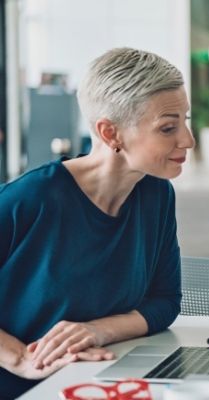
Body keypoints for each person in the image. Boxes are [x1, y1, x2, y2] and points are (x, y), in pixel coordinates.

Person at [0, 48, 190, 397]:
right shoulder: (28, 199)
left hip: (95, 380)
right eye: (168, 128)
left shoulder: (156, 194)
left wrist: (97, 330)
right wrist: (20, 359)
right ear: (110, 133)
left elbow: (165, 300)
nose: (187, 140)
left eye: (185, 121)